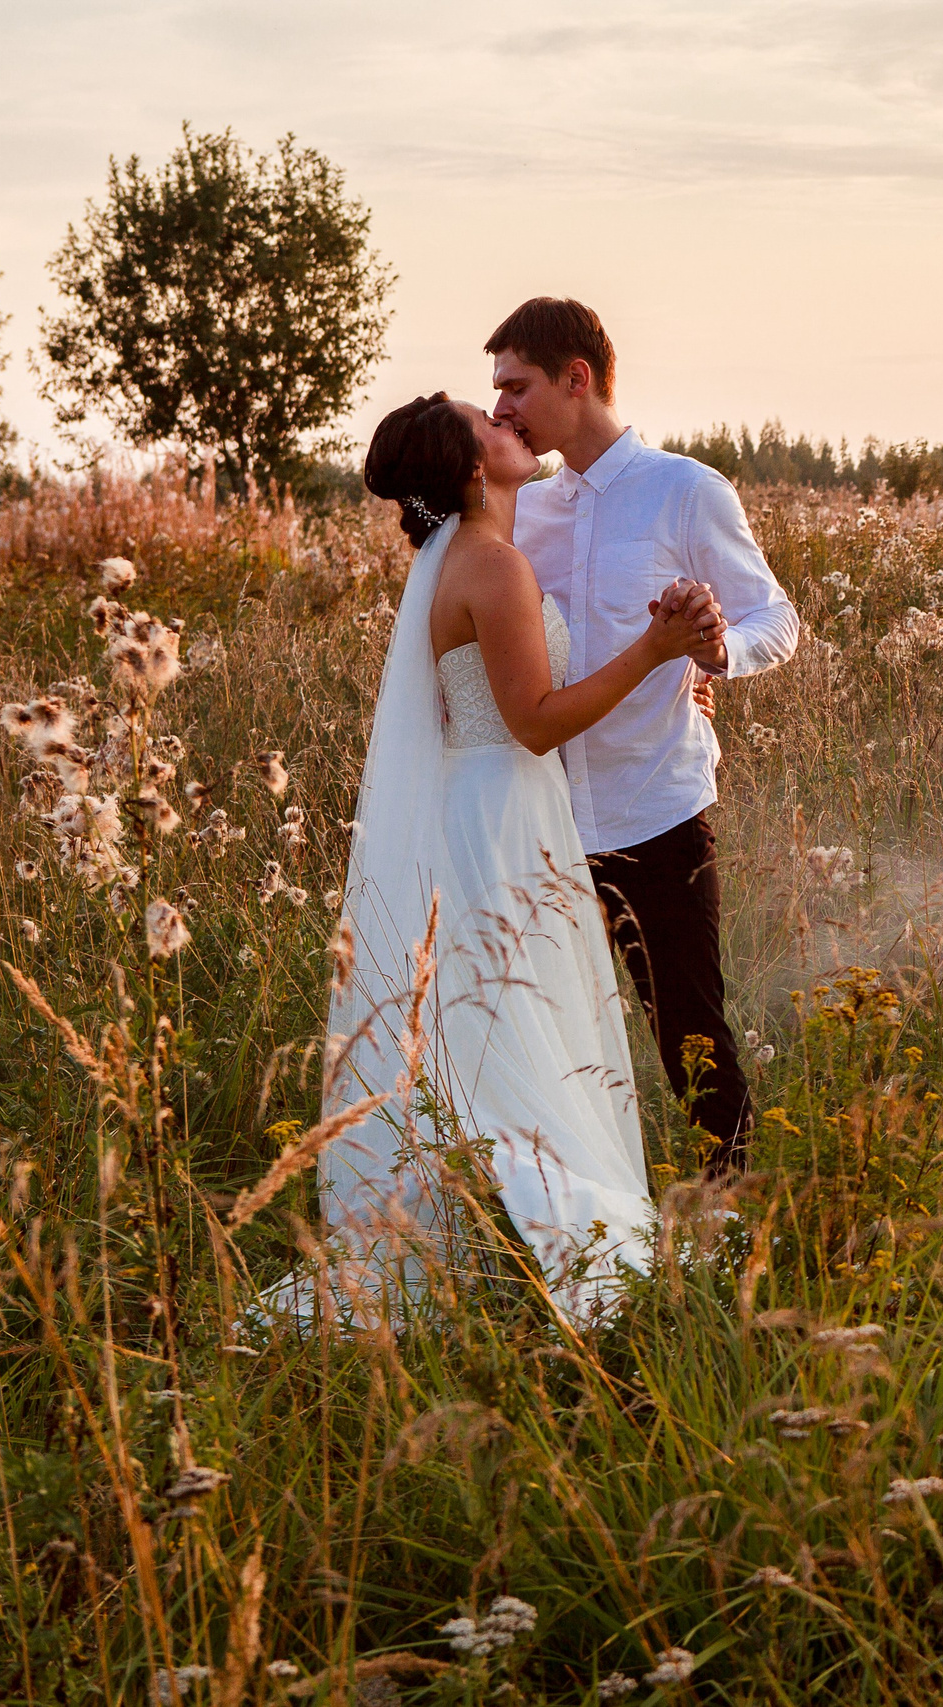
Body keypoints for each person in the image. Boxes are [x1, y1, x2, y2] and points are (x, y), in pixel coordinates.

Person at [301, 392, 723, 1326]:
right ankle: (581, 1247)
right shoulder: (490, 566)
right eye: (488, 425)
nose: (510, 426)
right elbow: (533, 721)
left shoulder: (467, 559)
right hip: (501, 814)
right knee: (519, 1029)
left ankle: (505, 1241)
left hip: (492, 807)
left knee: (500, 1030)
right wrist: (657, 650)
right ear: (467, 468)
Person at [487, 297, 801, 1173]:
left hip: (655, 810)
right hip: (541, 820)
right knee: (544, 1042)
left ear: (575, 379)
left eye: (516, 385)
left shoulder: (686, 490)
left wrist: (715, 655)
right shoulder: (524, 512)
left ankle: (733, 1225)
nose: (503, 406)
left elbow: (776, 618)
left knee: (691, 1037)